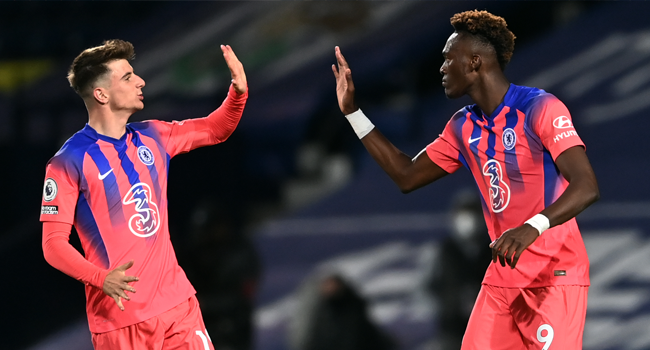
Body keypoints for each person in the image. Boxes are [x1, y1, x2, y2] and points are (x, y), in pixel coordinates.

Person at [332, 10, 599, 350]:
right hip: (504, 277)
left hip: (553, 276)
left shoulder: (540, 108)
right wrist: (353, 113)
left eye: (448, 59)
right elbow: (406, 175)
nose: (441, 69)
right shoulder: (463, 126)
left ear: (474, 62)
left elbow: (587, 185)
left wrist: (533, 226)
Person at [39, 39, 248, 350]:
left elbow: (215, 129)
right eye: (127, 77)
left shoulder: (154, 136)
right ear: (101, 94)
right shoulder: (68, 162)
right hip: (121, 320)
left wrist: (238, 93)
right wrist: (101, 278)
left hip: (178, 307)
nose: (140, 81)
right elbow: (53, 245)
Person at [428, 190, 492, 350]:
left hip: (488, 329)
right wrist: (450, 303)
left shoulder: (493, 251)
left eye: (473, 213)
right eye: (464, 213)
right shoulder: (443, 251)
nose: (469, 220)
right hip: (452, 331)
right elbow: (425, 289)